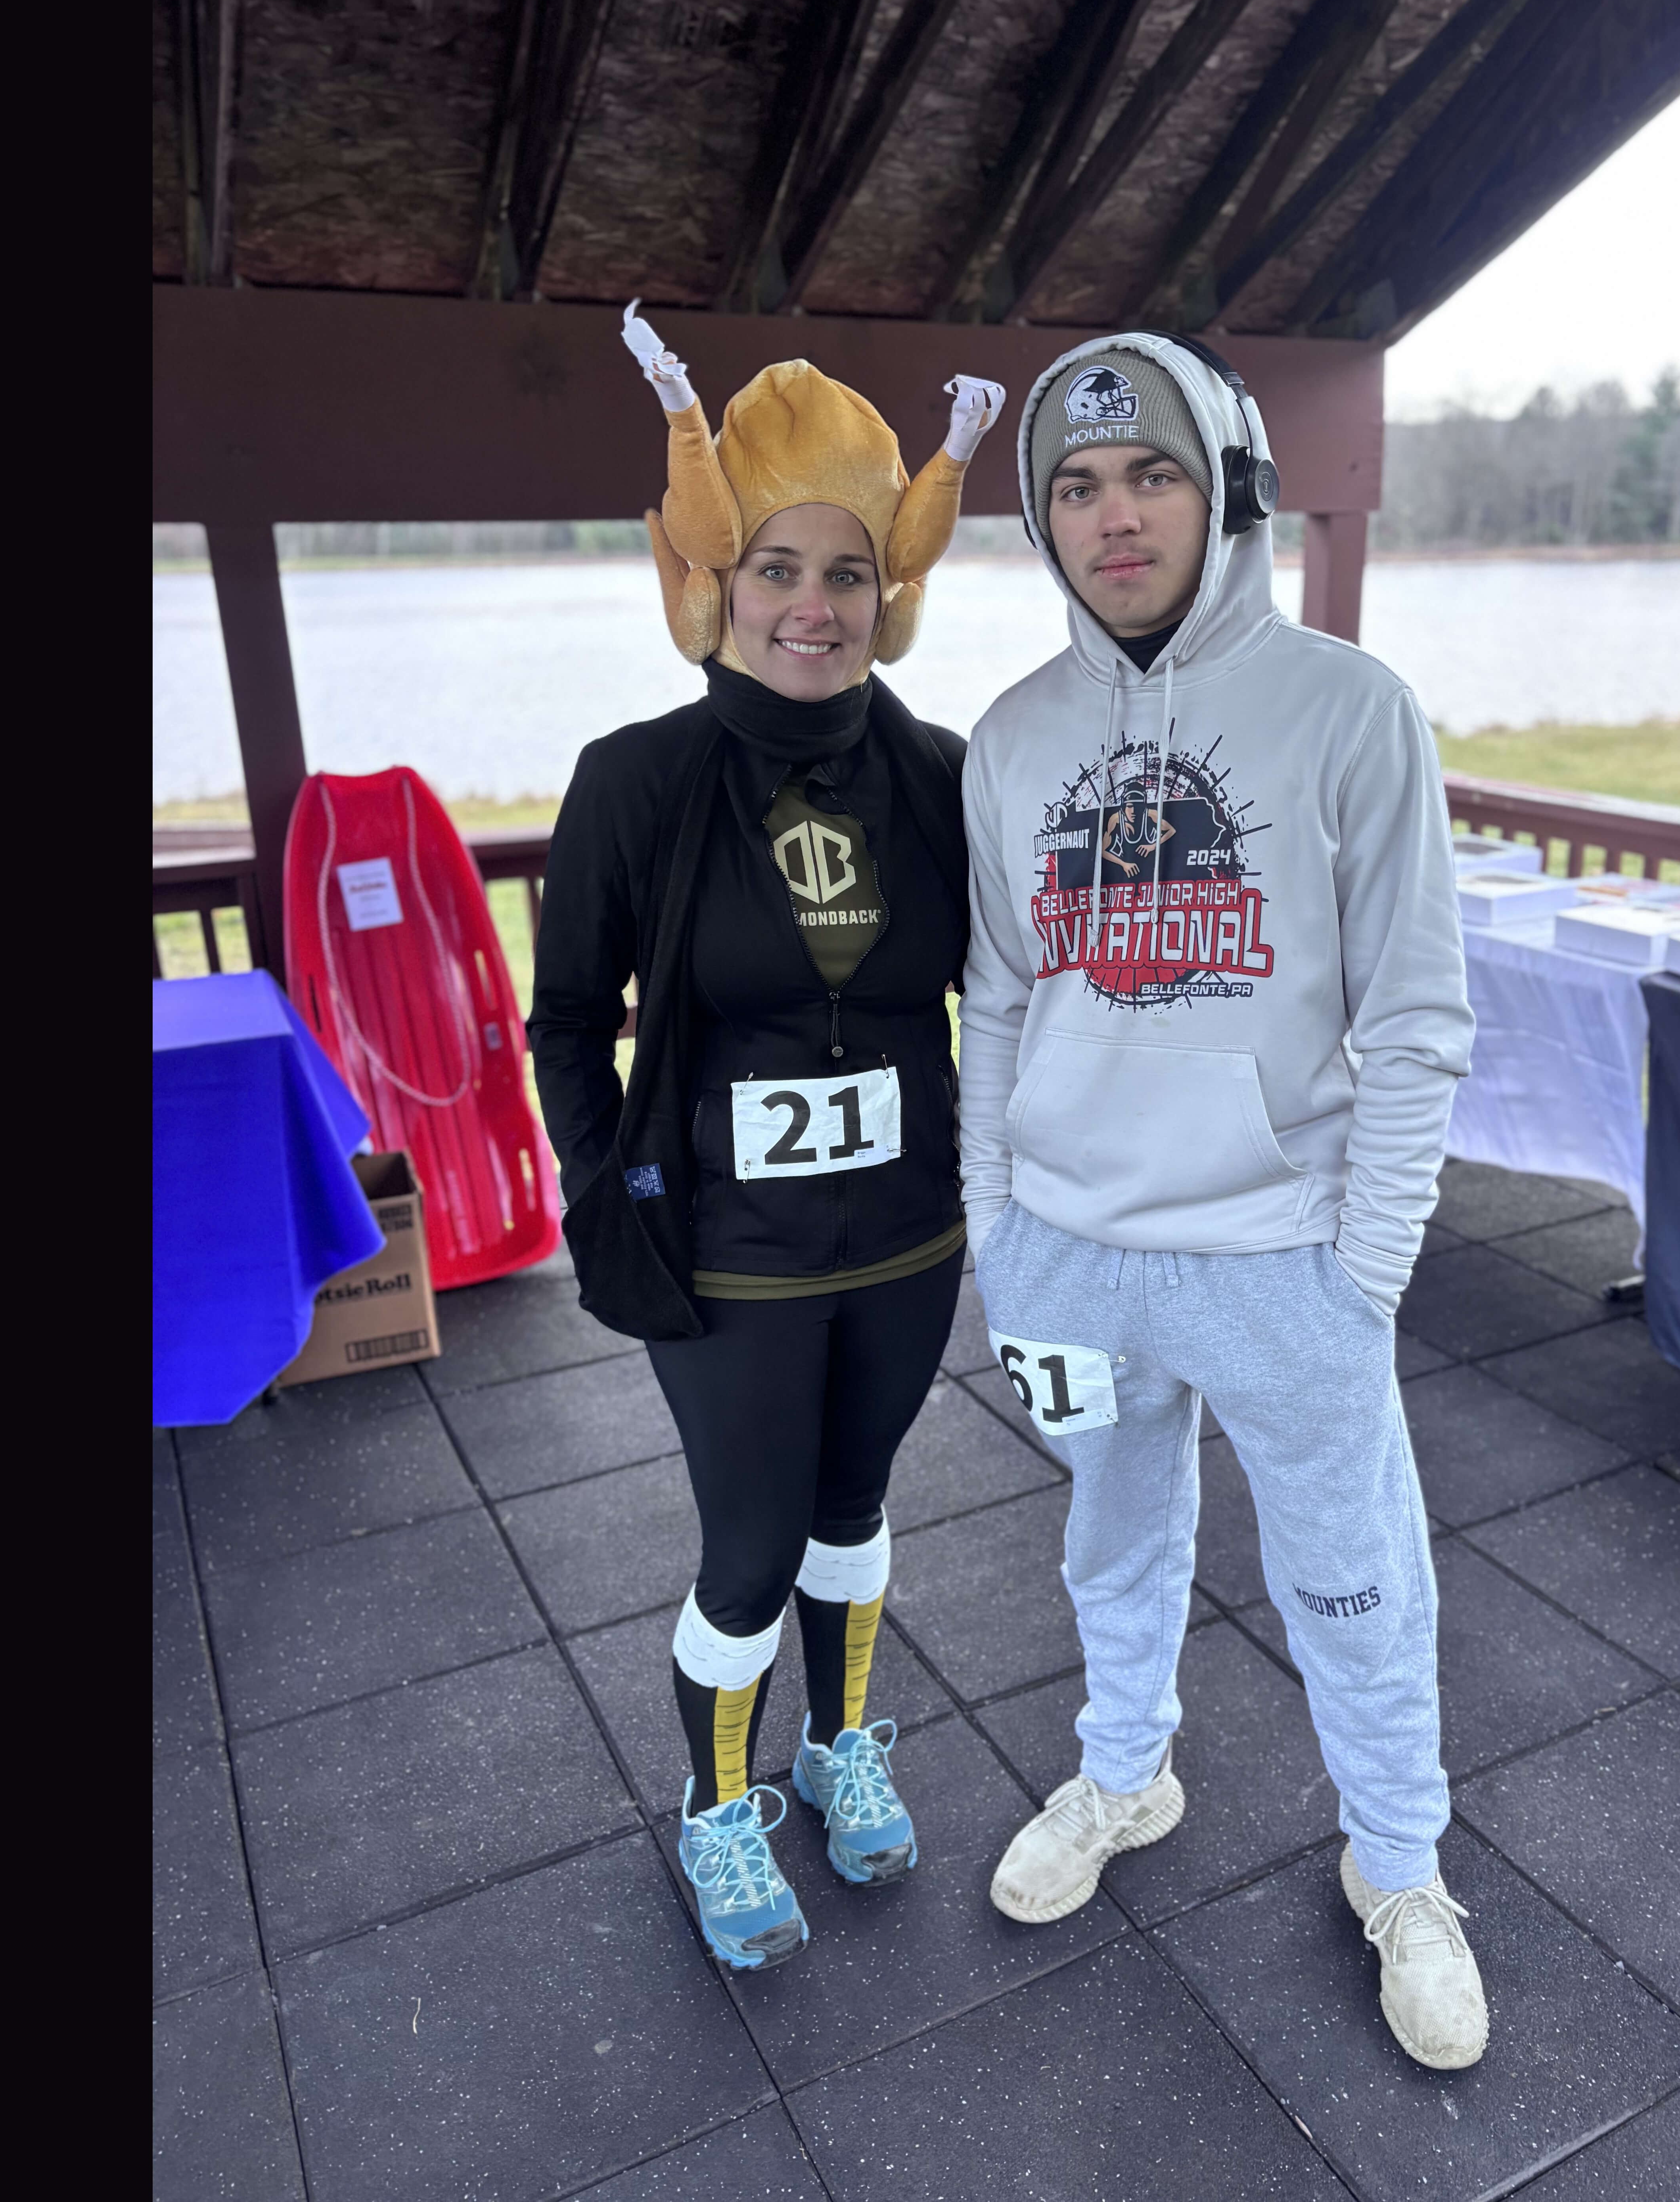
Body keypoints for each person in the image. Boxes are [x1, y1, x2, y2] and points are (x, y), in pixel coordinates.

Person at [958, 336, 1489, 2068]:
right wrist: (999, 1227)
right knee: (1110, 1545)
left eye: (1153, 476)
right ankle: (1128, 1774)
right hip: (1072, 1252)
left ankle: (1399, 1864)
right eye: (1076, 487)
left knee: (1355, 1581)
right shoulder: (1012, 741)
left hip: (1281, 1256)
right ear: (1044, 520)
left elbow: (1415, 1018)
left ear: (1231, 490)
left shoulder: (1350, 710)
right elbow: (1000, 1002)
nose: (1114, 516)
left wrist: (1367, 1268)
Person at [529, 307, 1005, 1971]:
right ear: (718, 582)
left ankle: (838, 1740)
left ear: (892, 591)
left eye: (848, 574)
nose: (814, 606)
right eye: (779, 570)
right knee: (746, 1549)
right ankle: (717, 1805)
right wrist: (610, 1189)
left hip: (907, 1236)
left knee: (854, 1508)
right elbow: (567, 1021)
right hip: (728, 1253)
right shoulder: (636, 780)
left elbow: (1009, 991)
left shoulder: (943, 774)